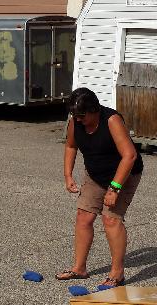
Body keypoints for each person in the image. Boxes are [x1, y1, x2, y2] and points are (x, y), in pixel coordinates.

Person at [56, 87, 143, 288]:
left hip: (123, 174)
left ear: (94, 110)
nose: (78, 120)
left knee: (110, 219)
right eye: (75, 116)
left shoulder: (111, 121)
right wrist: (68, 175)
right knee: (83, 215)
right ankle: (79, 268)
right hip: (95, 174)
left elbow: (129, 156)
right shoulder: (75, 123)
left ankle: (117, 274)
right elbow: (71, 146)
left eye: (82, 116)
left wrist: (115, 188)